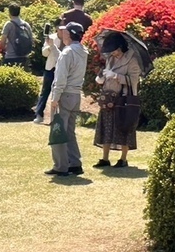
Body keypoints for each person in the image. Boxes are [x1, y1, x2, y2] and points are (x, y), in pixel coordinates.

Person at [92, 34, 142, 169]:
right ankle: (105, 158)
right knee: (106, 127)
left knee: (123, 127)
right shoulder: (111, 58)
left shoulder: (132, 60)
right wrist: (102, 77)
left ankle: (123, 159)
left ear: (121, 47)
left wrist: (116, 76)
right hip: (108, 97)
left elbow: (134, 81)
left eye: (115, 50)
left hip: (123, 98)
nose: (113, 53)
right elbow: (106, 73)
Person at [46, 22, 88, 177]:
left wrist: (55, 98)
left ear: (69, 34)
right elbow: (65, 62)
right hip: (75, 95)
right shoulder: (82, 51)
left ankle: (61, 166)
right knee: (70, 131)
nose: (62, 33)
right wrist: (54, 48)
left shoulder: (68, 52)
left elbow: (61, 77)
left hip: (64, 95)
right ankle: (75, 163)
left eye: (64, 32)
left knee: (58, 131)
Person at [32, 20, 62, 124]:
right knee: (45, 91)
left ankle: (56, 118)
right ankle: (39, 114)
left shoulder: (68, 39)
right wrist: (50, 46)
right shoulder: (52, 37)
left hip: (62, 69)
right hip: (50, 68)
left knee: (58, 93)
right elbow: (44, 53)